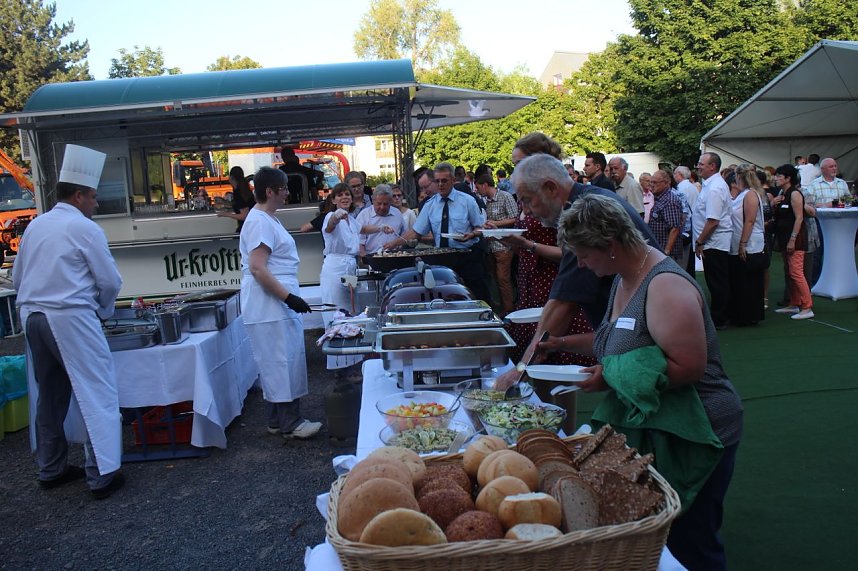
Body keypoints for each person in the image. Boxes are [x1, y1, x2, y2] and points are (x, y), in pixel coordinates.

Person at [553, 193, 743, 571]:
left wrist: (612, 377)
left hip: (699, 427)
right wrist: (561, 344)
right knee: (670, 534)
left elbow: (688, 366)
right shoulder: (625, 277)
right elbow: (621, 342)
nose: (581, 265)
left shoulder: (665, 286)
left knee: (693, 538)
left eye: (584, 255)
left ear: (609, 246)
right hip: (663, 425)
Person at [14, 143, 126, 499]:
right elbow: (109, 282)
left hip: (33, 316)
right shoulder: (84, 228)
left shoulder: (36, 225)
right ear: (78, 196)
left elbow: (18, 277)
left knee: (50, 395)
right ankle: (102, 473)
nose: (96, 203)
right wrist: (103, 310)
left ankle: (51, 468)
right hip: (68, 316)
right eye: (93, 197)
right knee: (97, 391)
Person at [495, 153, 659, 391]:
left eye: (528, 201)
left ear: (550, 188)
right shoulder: (590, 201)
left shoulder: (582, 215)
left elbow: (564, 302)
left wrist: (521, 368)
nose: (527, 211)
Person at [240, 166, 321, 440]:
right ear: (269, 191)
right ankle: (291, 422)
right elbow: (258, 268)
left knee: (277, 360)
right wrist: (288, 297)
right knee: (281, 360)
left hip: (272, 300)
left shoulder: (266, 219)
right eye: (284, 188)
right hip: (270, 302)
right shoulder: (260, 221)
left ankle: (277, 419)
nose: (288, 192)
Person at [382, 162, 488, 301]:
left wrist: (472, 234)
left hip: (467, 258)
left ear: (452, 180)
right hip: (442, 260)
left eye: (444, 181)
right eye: (437, 181)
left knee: (475, 297)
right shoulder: (430, 204)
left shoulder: (467, 201)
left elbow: (480, 227)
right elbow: (416, 231)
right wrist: (393, 243)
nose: (440, 185)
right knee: (446, 299)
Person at [321, 183, 364, 377]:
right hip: (335, 267)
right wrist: (337, 216)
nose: (345, 197)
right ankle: (339, 366)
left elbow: (364, 228)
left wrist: (381, 227)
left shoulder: (352, 219)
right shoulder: (332, 216)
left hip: (350, 267)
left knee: (351, 312)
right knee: (336, 313)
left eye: (347, 194)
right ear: (333, 199)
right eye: (340, 195)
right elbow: (330, 227)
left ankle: (353, 362)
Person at [693, 152, 733, 329]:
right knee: (715, 280)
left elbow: (713, 220)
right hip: (712, 241)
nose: (698, 166)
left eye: (702, 164)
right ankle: (719, 315)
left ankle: (720, 318)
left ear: (712, 166)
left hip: (714, 242)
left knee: (717, 282)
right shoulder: (711, 185)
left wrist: (700, 241)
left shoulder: (715, 187)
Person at [772, 164, 814, 320]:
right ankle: (795, 303)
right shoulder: (783, 193)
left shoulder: (795, 194)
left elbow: (799, 217)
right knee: (790, 272)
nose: (776, 178)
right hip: (784, 237)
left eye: (779, 176)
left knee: (796, 272)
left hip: (795, 239)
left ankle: (807, 306)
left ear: (788, 178)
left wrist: (793, 239)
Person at [726, 166, 767, 326]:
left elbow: (749, 220)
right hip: (738, 241)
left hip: (750, 243)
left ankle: (750, 315)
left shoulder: (750, 194)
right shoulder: (741, 194)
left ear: (738, 177)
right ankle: (741, 313)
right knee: (741, 280)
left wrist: (743, 243)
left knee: (749, 280)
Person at [475, 174, 519, 316]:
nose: (476, 190)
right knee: (497, 280)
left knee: (503, 279)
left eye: (477, 187)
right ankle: (503, 308)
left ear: (485, 185)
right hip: (491, 246)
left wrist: (495, 224)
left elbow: (515, 218)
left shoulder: (505, 196)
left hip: (504, 246)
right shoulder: (486, 201)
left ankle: (509, 311)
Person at [647, 169, 684, 264]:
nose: (651, 185)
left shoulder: (670, 201)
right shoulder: (659, 198)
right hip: (660, 251)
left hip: (667, 254)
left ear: (666, 183)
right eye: (650, 182)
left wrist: (666, 251)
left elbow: (675, 228)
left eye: (655, 182)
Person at [357, 184, 404, 256]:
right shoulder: (364, 216)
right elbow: (359, 244)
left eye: (385, 204)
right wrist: (365, 261)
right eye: (379, 204)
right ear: (373, 200)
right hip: (371, 258)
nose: (382, 207)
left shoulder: (397, 214)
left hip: (394, 257)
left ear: (391, 201)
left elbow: (403, 236)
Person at [217, 166, 255, 232]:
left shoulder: (239, 192)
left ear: (231, 178)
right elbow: (239, 205)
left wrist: (225, 214)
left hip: (246, 228)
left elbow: (244, 216)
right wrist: (224, 202)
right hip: (250, 227)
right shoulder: (243, 190)